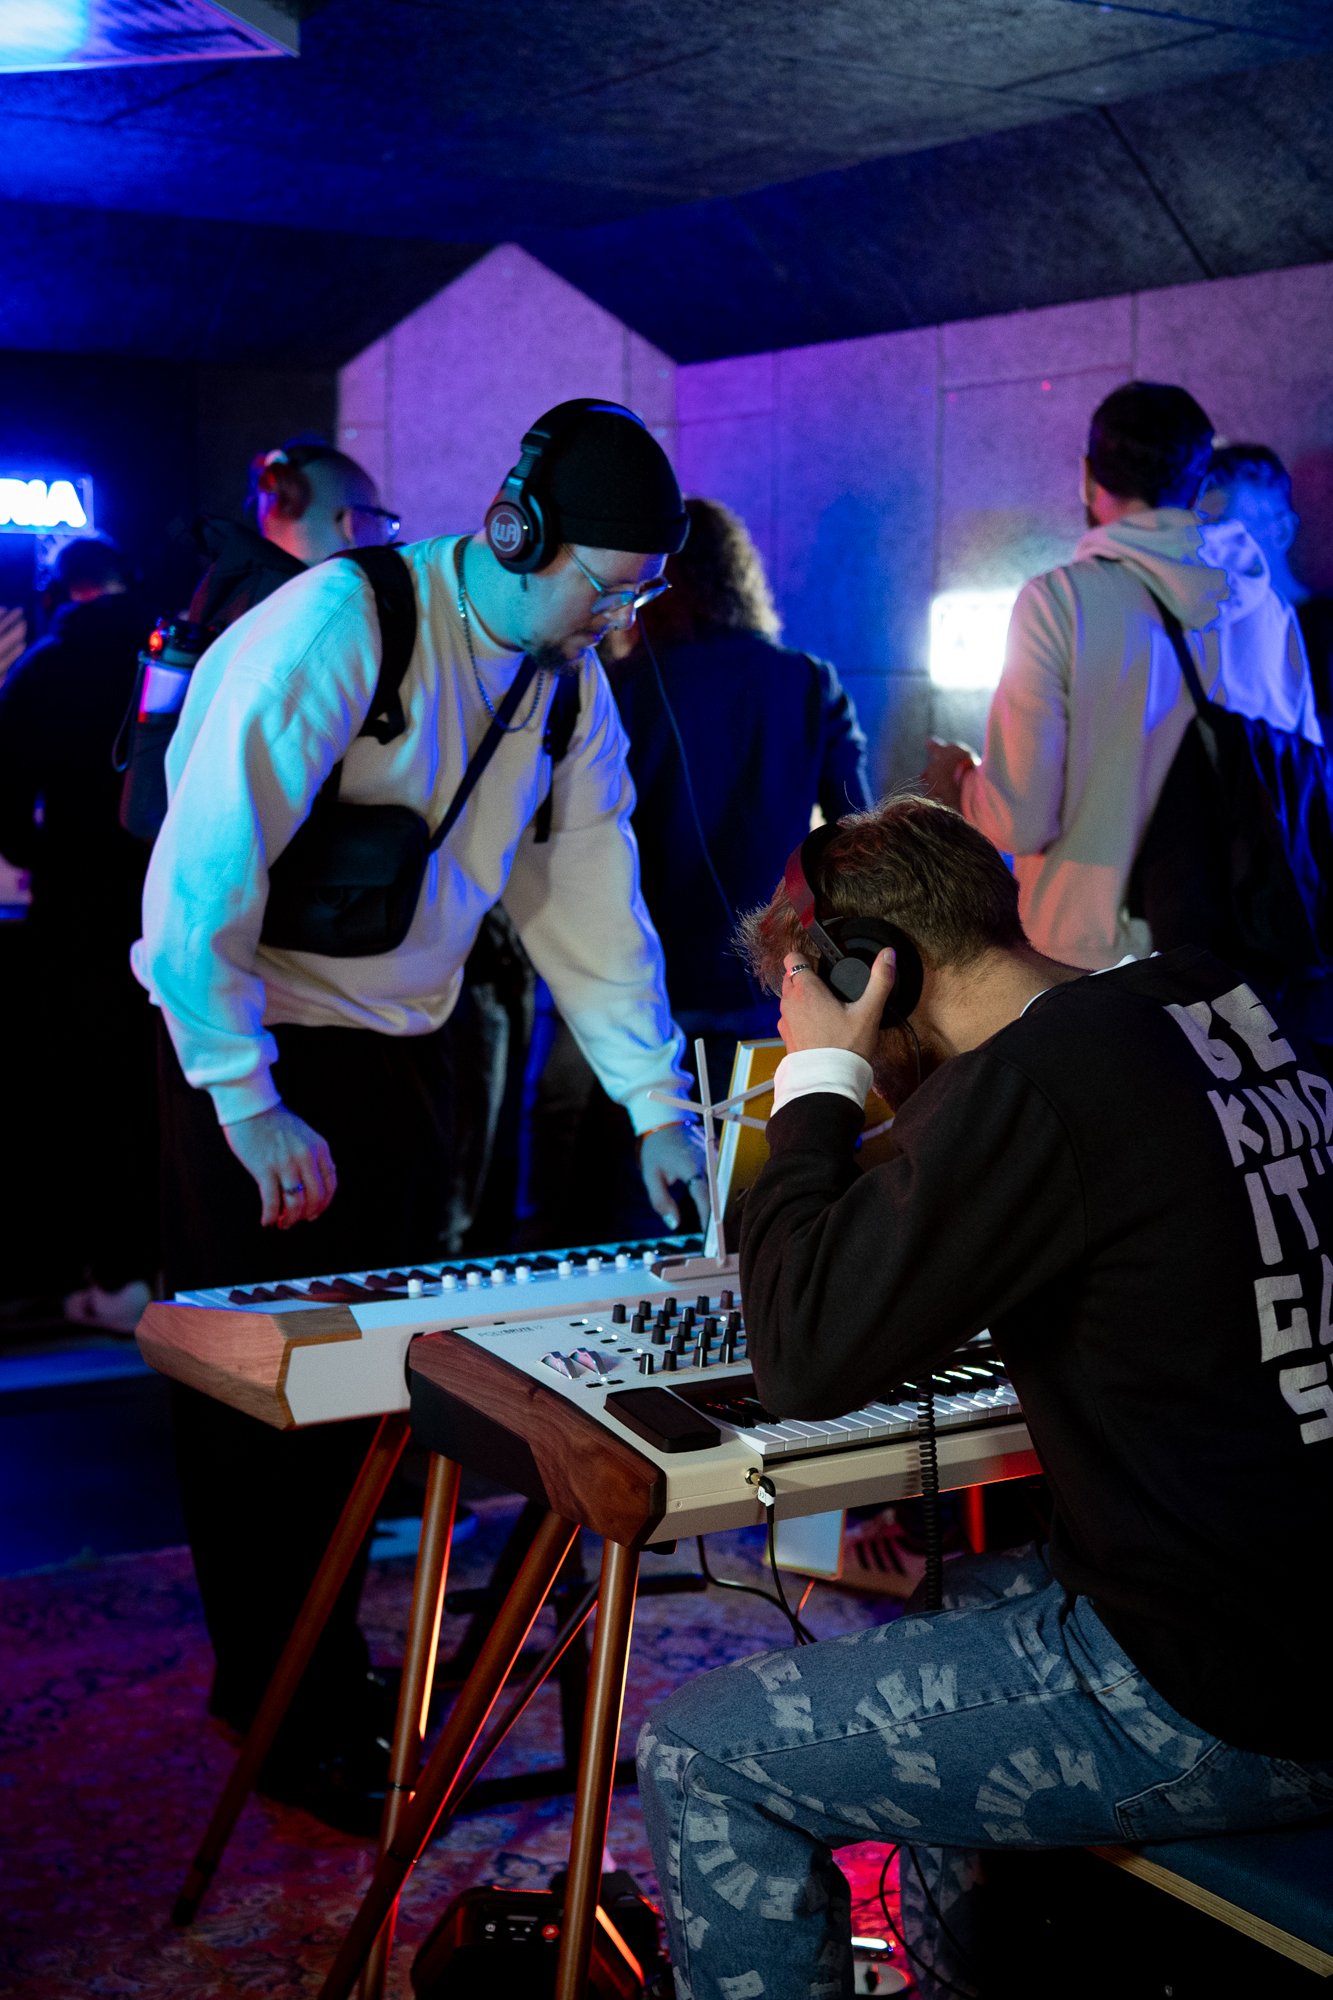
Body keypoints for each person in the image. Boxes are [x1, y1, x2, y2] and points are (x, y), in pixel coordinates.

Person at [637, 794, 1333, 2000]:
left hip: (1239, 1694)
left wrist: (819, 1073)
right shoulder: (1202, 1000)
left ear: (873, 973)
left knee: (700, 1755)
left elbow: (801, 1354)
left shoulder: (1035, 1085)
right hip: (1301, 1614)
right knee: (944, 1600)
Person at [134, 399, 705, 1829]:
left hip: (400, 1057)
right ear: (517, 532)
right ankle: (278, 1708)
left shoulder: (565, 684)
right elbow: (202, 868)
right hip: (254, 1050)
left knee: (359, 1396)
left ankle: (317, 1674)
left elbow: (589, 895)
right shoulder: (342, 621)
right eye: (605, 586)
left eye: (640, 594)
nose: (619, 619)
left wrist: (655, 1104)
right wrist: (244, 1095)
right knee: (258, 1402)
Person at [923, 382, 1321, 973]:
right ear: (1200, 486)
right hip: (1238, 950)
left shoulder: (1059, 602)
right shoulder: (1270, 611)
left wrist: (956, 779)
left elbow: (1019, 818)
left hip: (1090, 956)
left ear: (1088, 478)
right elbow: (1303, 782)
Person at [606, 495, 873, 1091]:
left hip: (650, 986)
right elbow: (860, 835)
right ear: (738, 576)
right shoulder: (808, 680)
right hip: (775, 982)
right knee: (764, 1144)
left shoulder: (619, 686)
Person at [0, 536, 160, 1329]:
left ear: (60, 592)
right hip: (170, 908)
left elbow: (5, 810)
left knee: (90, 1102)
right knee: (167, 1092)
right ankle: (170, 1270)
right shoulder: (174, 659)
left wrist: (52, 861)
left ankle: (114, 1278)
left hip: (77, 922)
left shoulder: (43, 669)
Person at [182, 438, 399, 638]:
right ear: (351, 524)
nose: (387, 537)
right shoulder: (343, 622)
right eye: (379, 519)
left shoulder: (220, 602)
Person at [1202, 441, 1333, 724]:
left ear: (1282, 531)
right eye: (1200, 532)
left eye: (1226, 529)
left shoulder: (1325, 630)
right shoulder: (1208, 630)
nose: (1209, 546)